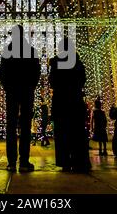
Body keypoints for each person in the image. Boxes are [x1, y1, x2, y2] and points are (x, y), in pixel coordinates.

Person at [0, 25, 41, 172]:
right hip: (26, 91)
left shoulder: (7, 51)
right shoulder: (31, 51)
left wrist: (8, 87)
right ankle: (24, 161)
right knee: (25, 127)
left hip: (12, 92)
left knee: (11, 126)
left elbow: (2, 73)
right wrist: (31, 87)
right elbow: (37, 72)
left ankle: (11, 162)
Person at [49, 37, 91, 172]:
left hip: (61, 102)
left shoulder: (56, 62)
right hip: (75, 101)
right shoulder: (77, 62)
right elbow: (83, 80)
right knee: (78, 132)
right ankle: (80, 161)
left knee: (62, 134)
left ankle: (65, 161)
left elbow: (52, 82)